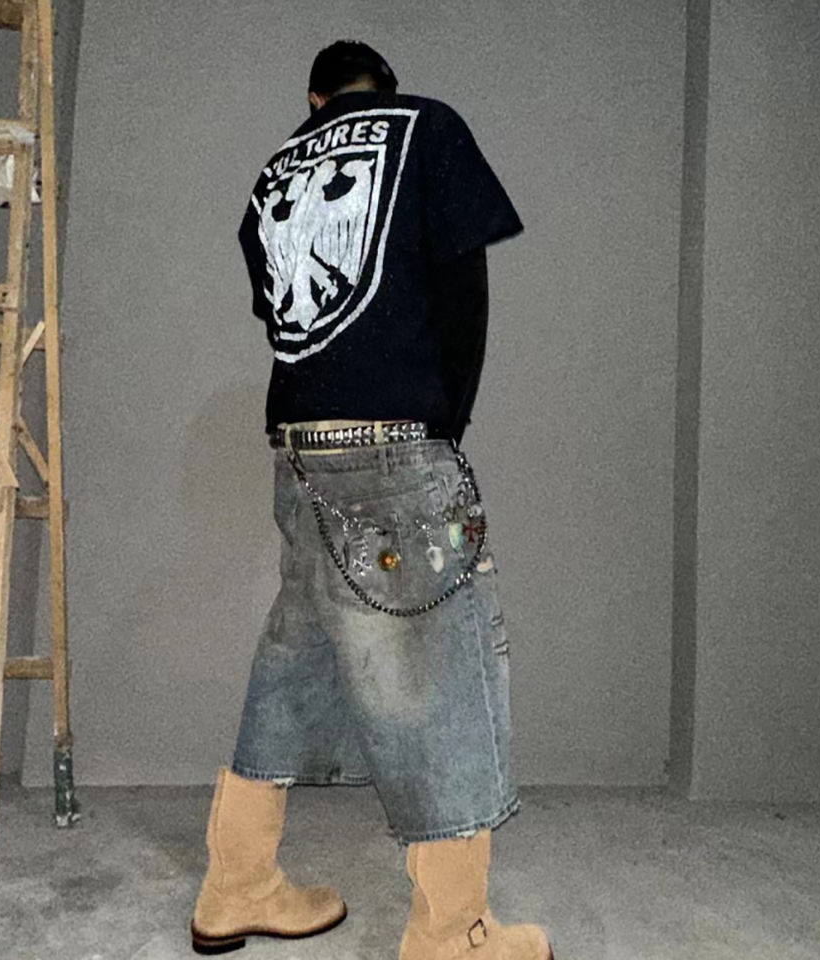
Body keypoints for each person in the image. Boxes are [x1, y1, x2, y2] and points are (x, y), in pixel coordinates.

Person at [191, 40, 555, 960]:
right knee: (441, 675)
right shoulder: (428, 126)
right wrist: (443, 427)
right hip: (395, 446)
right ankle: (454, 932)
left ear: (316, 100)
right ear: (382, 89)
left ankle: (236, 883)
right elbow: (463, 291)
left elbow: (286, 313)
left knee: (298, 655)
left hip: (299, 448)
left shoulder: (277, 169)